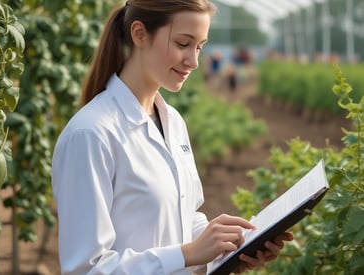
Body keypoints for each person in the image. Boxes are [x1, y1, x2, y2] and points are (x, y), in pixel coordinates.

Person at [51, 0, 293, 274]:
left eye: (199, 46)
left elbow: (180, 219)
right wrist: (189, 253)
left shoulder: (173, 122)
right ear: (139, 34)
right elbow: (86, 269)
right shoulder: (91, 134)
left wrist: (231, 248)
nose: (194, 61)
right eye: (182, 44)